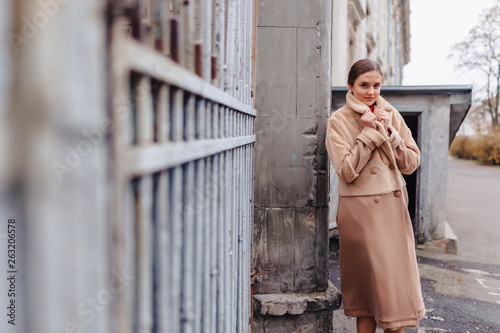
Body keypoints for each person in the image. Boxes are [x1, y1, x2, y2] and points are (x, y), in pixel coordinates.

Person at [325, 59, 426, 333]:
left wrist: (391, 134)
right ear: (351, 86)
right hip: (361, 212)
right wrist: (369, 133)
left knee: (396, 290)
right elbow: (346, 171)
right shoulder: (339, 120)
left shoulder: (391, 113)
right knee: (368, 292)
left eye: (376, 85)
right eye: (364, 85)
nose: (371, 92)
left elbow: (411, 163)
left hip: (393, 209)